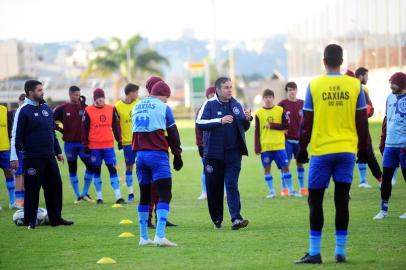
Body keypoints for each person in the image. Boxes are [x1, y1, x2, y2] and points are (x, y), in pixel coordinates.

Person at [295, 44, 368, 264]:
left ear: (324, 61)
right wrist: (363, 150)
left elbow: (306, 122)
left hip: (322, 151)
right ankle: (340, 252)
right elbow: (362, 122)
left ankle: (315, 252)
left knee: (315, 201)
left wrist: (302, 149)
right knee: (342, 201)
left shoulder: (315, 85)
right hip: (346, 151)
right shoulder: (355, 85)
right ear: (342, 61)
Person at [10, 80, 74, 229]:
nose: (42, 92)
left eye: (42, 90)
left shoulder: (46, 108)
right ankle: (30, 221)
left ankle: (55, 219)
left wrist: (57, 151)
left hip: (49, 157)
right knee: (32, 189)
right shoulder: (23, 110)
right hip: (32, 158)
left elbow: (51, 132)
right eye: (39, 90)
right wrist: (14, 157)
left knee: (55, 187)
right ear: (30, 92)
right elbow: (15, 135)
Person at [196, 76, 251, 230]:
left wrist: (247, 119)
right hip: (214, 154)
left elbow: (243, 127)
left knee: (231, 184)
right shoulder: (209, 104)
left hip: (233, 154)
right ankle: (217, 220)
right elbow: (199, 123)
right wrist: (219, 121)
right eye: (226, 87)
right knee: (214, 188)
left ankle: (236, 219)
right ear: (218, 90)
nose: (229, 90)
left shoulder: (236, 104)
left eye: (231, 87)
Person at [132, 81, 183, 247]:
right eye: (166, 98)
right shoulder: (163, 108)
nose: (166, 101)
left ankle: (143, 237)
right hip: (157, 156)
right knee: (164, 194)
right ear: (162, 94)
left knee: (145, 195)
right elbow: (173, 132)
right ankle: (160, 235)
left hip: (140, 156)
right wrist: (177, 154)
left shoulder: (137, 106)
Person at [82, 88, 125, 204]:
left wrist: (119, 140)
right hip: (94, 147)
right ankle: (100, 197)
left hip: (108, 146)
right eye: (99, 98)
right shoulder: (88, 110)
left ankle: (118, 196)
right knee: (97, 170)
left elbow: (116, 126)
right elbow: (84, 130)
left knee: (112, 169)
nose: (101, 100)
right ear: (95, 99)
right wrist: (85, 145)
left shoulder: (111, 109)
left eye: (102, 98)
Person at [143, 76, 177, 228]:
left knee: (155, 188)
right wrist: (178, 152)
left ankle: (156, 218)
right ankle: (151, 218)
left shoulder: (142, 105)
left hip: (147, 151)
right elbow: (172, 132)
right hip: (157, 152)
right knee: (155, 188)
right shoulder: (160, 107)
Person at [255, 89, 299, 198]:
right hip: (265, 146)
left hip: (279, 145)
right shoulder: (258, 113)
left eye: (270, 97)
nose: (268, 99)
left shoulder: (280, 110)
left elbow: (286, 125)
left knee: (285, 167)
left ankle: (291, 190)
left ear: (273, 98)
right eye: (266, 97)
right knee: (267, 168)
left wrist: (273, 125)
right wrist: (257, 147)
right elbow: (257, 131)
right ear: (263, 99)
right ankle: (271, 191)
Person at [54, 86, 94, 203]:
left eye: (79, 95)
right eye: (76, 95)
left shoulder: (85, 108)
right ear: (70, 95)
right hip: (69, 144)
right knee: (73, 168)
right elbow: (51, 121)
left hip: (83, 144)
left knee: (91, 166)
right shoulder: (62, 108)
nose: (78, 97)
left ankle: (84, 192)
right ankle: (78, 195)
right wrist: (61, 129)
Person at [374, 72, 406, 220]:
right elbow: (387, 118)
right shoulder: (389, 97)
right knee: (385, 178)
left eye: (393, 83)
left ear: (401, 84)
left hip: (404, 146)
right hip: (390, 145)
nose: (390, 85)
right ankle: (384, 210)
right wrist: (382, 140)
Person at [354, 67, 382, 188]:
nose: (368, 78)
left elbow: (369, 109)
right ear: (360, 76)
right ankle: (377, 180)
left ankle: (364, 180)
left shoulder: (362, 89)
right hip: (358, 128)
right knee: (368, 154)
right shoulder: (362, 89)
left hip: (349, 128)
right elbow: (370, 109)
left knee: (352, 156)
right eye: (366, 76)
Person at [278, 81, 308, 196]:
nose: (292, 92)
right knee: (286, 164)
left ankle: (302, 188)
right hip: (287, 139)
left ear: (297, 90)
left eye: (294, 89)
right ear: (287, 92)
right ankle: (284, 188)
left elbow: (308, 120)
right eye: (290, 90)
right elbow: (276, 119)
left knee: (300, 163)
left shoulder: (303, 103)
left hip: (299, 140)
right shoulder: (282, 104)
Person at [114, 83, 140, 202]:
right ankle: (130, 193)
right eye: (136, 92)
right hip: (127, 143)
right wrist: (119, 139)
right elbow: (115, 125)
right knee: (129, 167)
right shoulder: (117, 106)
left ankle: (145, 191)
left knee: (142, 166)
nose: (137, 94)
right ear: (130, 93)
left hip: (140, 141)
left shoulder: (139, 103)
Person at [195, 86, 216, 200]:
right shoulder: (202, 109)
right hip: (204, 145)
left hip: (217, 144)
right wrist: (200, 143)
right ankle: (204, 192)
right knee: (206, 168)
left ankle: (224, 192)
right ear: (207, 96)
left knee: (220, 168)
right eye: (210, 95)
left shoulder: (221, 108)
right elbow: (198, 128)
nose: (213, 96)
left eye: (214, 94)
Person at [10, 94, 26, 208]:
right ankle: (19, 200)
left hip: (27, 149)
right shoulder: (14, 113)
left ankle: (22, 199)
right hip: (19, 149)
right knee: (18, 173)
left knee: (24, 173)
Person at [0, 104, 16, 210]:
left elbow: (10, 129)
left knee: (9, 172)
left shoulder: (4, 109)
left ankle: (12, 201)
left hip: (5, 148)